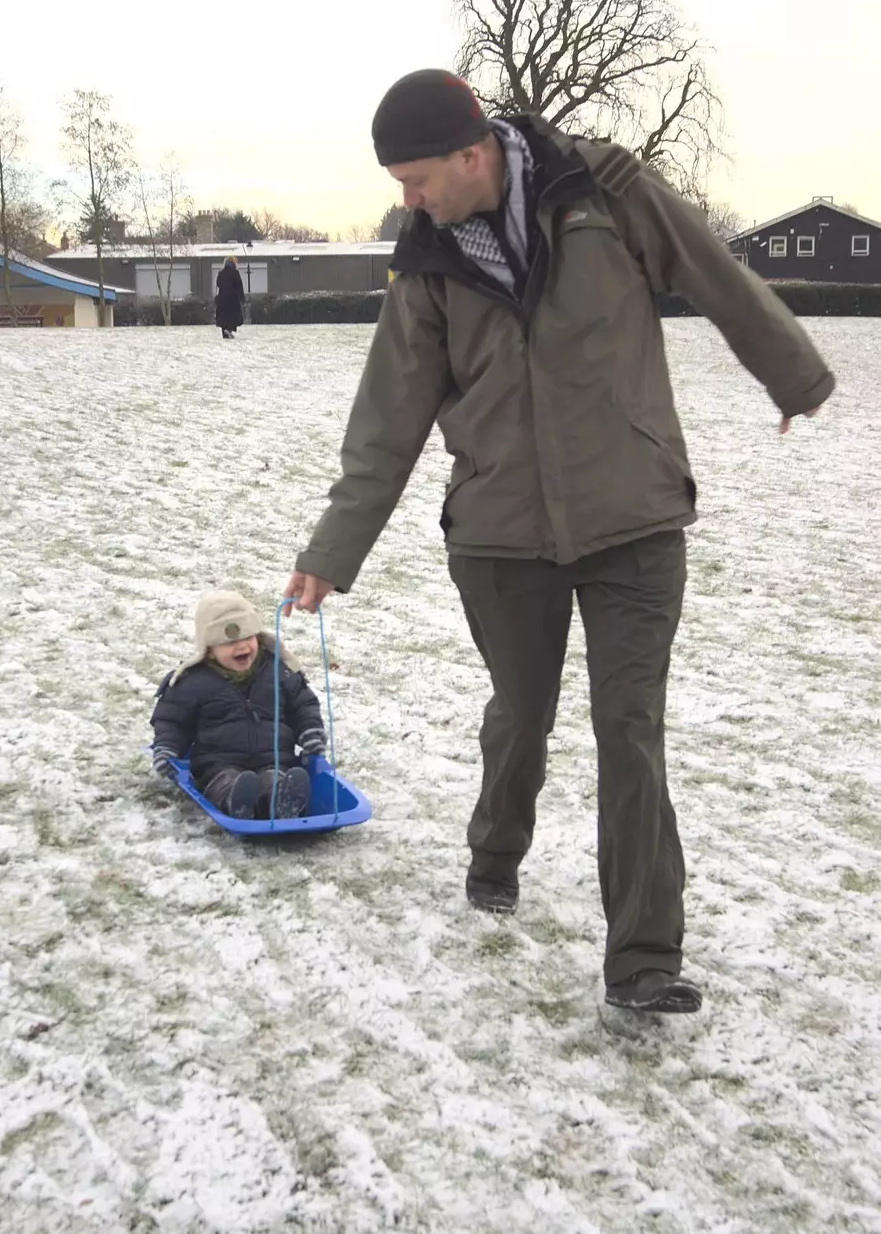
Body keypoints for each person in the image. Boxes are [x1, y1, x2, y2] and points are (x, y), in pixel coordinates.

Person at [283, 68, 835, 1015]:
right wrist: (331, 553)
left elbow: (712, 267)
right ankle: (496, 848)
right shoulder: (424, 265)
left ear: (473, 152)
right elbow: (389, 420)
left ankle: (644, 958)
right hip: (500, 534)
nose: (404, 200)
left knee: (630, 732)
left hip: (635, 517)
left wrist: (795, 377)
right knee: (522, 710)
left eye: (415, 178)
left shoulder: (605, 189)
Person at [150, 590, 328, 819]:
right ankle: (236, 803)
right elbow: (172, 720)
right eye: (230, 642)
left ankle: (283, 802)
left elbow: (303, 705)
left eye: (248, 637)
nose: (243, 646)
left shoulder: (279, 671)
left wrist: (310, 731)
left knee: (274, 780)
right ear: (210, 651)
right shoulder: (192, 682)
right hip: (218, 765)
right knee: (227, 783)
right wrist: (166, 748)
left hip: (274, 760)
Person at [214, 257, 246, 340]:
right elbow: (239, 286)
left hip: (222, 300)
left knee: (223, 318)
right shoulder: (235, 273)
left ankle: (225, 335)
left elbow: (218, 285)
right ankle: (229, 330)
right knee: (233, 317)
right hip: (232, 300)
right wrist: (242, 299)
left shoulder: (221, 273)